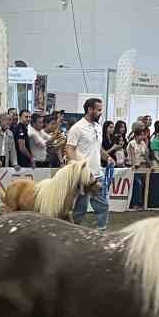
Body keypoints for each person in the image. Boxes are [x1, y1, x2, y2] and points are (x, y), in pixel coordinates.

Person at [67, 97, 108, 230]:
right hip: (83, 176)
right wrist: (76, 168)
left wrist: (108, 157)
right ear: (90, 109)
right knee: (80, 207)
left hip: (98, 174)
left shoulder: (98, 127)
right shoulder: (77, 128)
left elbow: (98, 147)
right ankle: (74, 230)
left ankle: (101, 230)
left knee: (103, 205)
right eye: (99, 110)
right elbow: (70, 148)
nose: (101, 112)